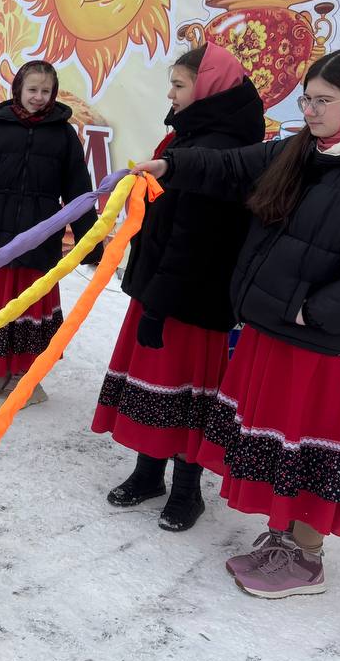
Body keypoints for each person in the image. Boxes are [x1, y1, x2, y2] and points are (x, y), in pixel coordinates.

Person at [134, 48, 340, 598]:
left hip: (330, 350)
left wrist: (312, 310)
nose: (309, 111)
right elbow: (235, 165)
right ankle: (282, 540)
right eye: (307, 99)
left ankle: (307, 559)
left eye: (323, 101)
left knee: (314, 453)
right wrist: (172, 166)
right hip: (282, 335)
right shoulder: (307, 149)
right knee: (285, 449)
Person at [91, 43, 264, 532]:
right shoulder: (191, 134)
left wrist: (157, 304)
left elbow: (195, 238)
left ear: (208, 88)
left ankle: (188, 491)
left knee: (186, 395)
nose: (171, 94)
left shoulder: (220, 149)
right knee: (157, 390)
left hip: (189, 298)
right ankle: (148, 474)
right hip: (164, 287)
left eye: (180, 85)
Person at [0, 60, 101, 409]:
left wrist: (90, 241)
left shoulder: (64, 136)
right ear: (18, 90)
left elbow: (79, 191)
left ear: (53, 94)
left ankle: (27, 379)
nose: (38, 97)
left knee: (29, 303)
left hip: (39, 236)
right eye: (32, 89)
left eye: (45, 91)